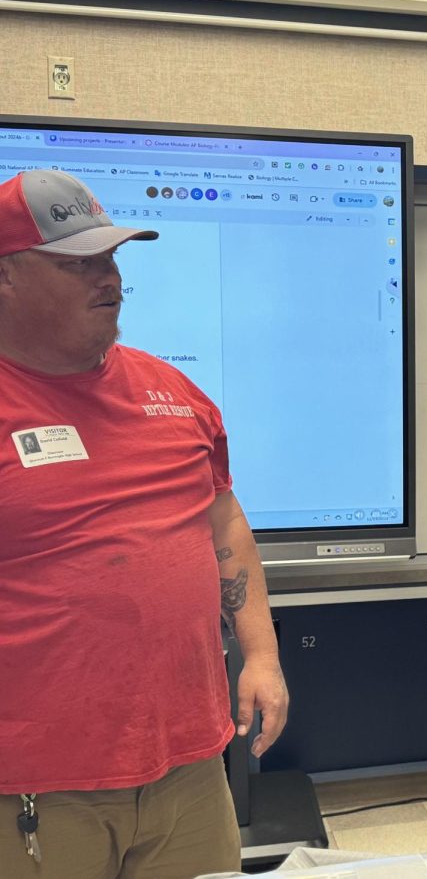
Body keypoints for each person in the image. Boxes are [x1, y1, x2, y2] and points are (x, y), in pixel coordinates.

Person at [0, 170, 289, 878]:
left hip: (189, 768)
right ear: (6, 277)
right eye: (78, 264)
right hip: (37, 786)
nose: (109, 278)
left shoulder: (174, 393)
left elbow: (222, 520)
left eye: (111, 257)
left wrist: (261, 656)